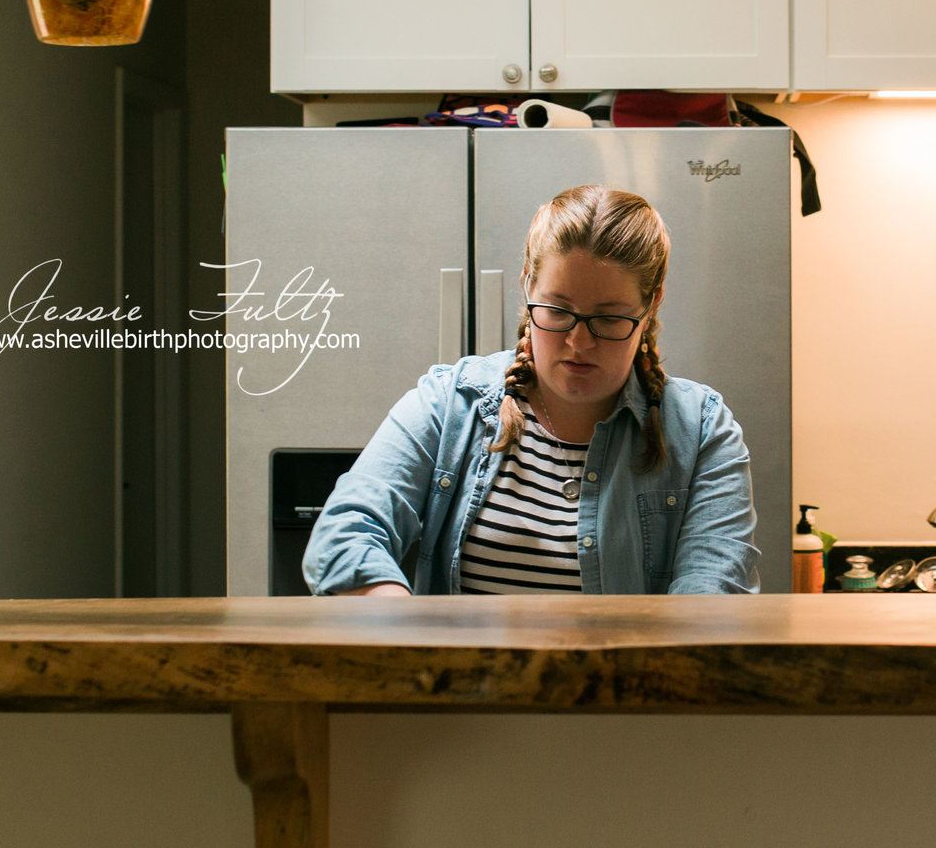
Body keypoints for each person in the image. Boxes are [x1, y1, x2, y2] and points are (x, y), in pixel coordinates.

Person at [305, 184, 758, 596]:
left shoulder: (701, 432)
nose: (579, 342)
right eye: (557, 310)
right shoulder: (450, 403)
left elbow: (713, 591)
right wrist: (412, 633)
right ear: (528, 284)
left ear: (652, 302)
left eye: (609, 318)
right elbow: (346, 532)